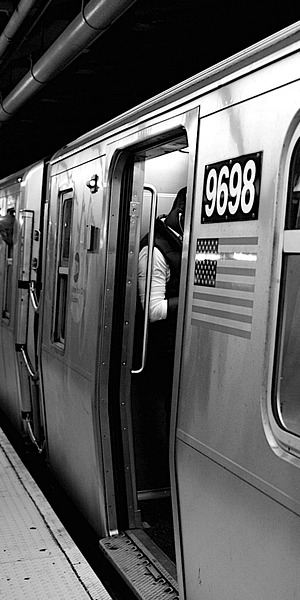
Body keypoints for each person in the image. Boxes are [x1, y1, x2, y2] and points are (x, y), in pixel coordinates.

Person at [133, 187, 187, 487]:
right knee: (165, 420)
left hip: (180, 349)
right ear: (179, 210)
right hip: (160, 353)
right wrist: (192, 300)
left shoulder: (184, 242)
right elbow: (152, 309)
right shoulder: (153, 250)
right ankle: (166, 482)